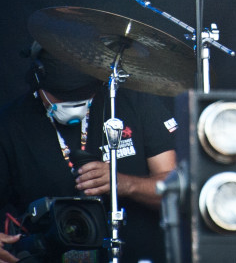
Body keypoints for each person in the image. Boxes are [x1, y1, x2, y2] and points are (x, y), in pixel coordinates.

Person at [0, 44, 177, 263]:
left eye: (82, 97)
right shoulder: (10, 124)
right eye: (62, 98)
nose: (73, 105)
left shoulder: (134, 102)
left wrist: (124, 183)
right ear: (38, 82)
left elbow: (178, 190)